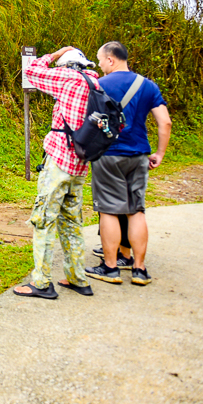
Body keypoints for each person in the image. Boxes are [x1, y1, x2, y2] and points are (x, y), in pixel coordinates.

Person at [12, 46, 99, 300]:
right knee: (72, 222)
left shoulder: (68, 78)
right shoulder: (96, 83)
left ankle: (40, 283)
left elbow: (32, 71)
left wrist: (53, 55)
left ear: (66, 65)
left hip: (60, 161)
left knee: (44, 219)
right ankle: (77, 278)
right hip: (80, 165)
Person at [85, 41, 172, 287]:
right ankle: (139, 269)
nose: (100, 65)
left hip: (108, 155)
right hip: (139, 155)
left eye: (101, 60)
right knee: (136, 210)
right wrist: (159, 153)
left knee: (109, 210)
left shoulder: (99, 85)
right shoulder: (148, 86)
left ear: (111, 60)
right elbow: (164, 122)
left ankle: (110, 268)